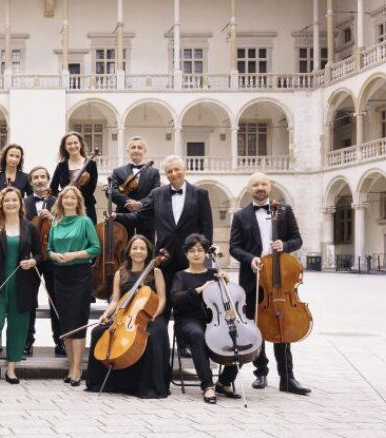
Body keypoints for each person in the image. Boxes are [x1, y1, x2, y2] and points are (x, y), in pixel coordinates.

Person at [229, 172, 311, 395]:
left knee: (281, 325)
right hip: (253, 277)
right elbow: (234, 247)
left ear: (270, 186)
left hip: (280, 279)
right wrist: (251, 259)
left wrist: (284, 245)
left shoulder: (284, 211)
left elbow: (297, 239)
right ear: (249, 189)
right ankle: (261, 373)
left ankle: (287, 377)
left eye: (264, 183)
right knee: (257, 326)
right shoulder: (240, 216)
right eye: (255, 184)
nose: (260, 187)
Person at [114, 155, 213, 322]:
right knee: (162, 302)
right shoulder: (157, 194)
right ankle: (161, 341)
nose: (173, 174)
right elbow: (139, 217)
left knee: (190, 302)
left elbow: (206, 227)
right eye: (169, 171)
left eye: (177, 170)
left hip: (190, 259)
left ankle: (186, 340)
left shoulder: (200, 194)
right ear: (166, 175)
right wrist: (117, 216)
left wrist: (206, 250)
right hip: (163, 257)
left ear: (185, 170)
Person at [84, 235, 170, 398]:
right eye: (135, 248)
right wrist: (105, 314)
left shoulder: (155, 271)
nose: (138, 251)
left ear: (148, 252)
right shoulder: (120, 273)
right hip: (125, 316)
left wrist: (154, 315)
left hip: (150, 315)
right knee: (97, 332)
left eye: (142, 248)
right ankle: (101, 382)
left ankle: (147, 386)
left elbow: (163, 298)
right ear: (129, 252)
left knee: (151, 336)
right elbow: (115, 300)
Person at [0, 187, 41, 388]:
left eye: (14, 200)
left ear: (20, 203)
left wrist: (34, 262)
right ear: (1, 204)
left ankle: (11, 369)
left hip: (22, 284)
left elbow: (39, 254)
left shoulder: (30, 227)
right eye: (7, 201)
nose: (11, 204)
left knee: (18, 327)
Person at [171, 233, 241, 404]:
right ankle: (208, 385)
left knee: (242, 336)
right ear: (186, 254)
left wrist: (226, 283)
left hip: (212, 320)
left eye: (200, 250)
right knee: (198, 335)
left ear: (206, 254)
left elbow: (227, 301)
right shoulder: (181, 276)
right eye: (192, 250)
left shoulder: (214, 273)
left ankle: (224, 382)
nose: (196, 254)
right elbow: (176, 299)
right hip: (188, 321)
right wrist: (199, 289)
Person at [48, 186, 100, 387]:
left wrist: (73, 255)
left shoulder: (85, 221)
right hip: (60, 275)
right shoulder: (56, 222)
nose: (69, 200)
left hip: (80, 275)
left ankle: (78, 369)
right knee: (66, 323)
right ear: (61, 201)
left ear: (78, 202)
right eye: (65, 197)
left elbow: (96, 248)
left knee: (78, 322)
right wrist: (53, 255)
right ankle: (71, 367)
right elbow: (50, 249)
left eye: (73, 197)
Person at [22, 166, 62, 356]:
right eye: (35, 177)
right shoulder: (24, 202)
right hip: (31, 257)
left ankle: (60, 340)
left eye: (42, 177)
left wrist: (53, 218)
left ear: (47, 180)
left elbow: (66, 228)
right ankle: (27, 340)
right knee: (29, 299)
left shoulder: (57, 202)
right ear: (30, 182)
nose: (39, 180)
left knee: (56, 298)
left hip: (52, 256)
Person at [107, 137, 161, 240]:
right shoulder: (118, 171)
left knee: (147, 250)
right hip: (123, 216)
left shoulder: (154, 172)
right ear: (128, 151)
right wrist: (127, 201)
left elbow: (156, 194)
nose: (136, 150)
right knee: (123, 250)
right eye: (133, 147)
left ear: (144, 151)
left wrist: (140, 204)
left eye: (139, 147)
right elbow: (112, 191)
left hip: (146, 218)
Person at [50, 131, 99, 223]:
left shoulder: (91, 164)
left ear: (80, 144)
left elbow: (91, 188)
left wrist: (75, 199)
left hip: (86, 207)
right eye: (69, 144)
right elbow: (53, 188)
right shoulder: (61, 166)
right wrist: (63, 196)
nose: (73, 146)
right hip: (66, 209)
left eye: (75, 143)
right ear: (65, 147)